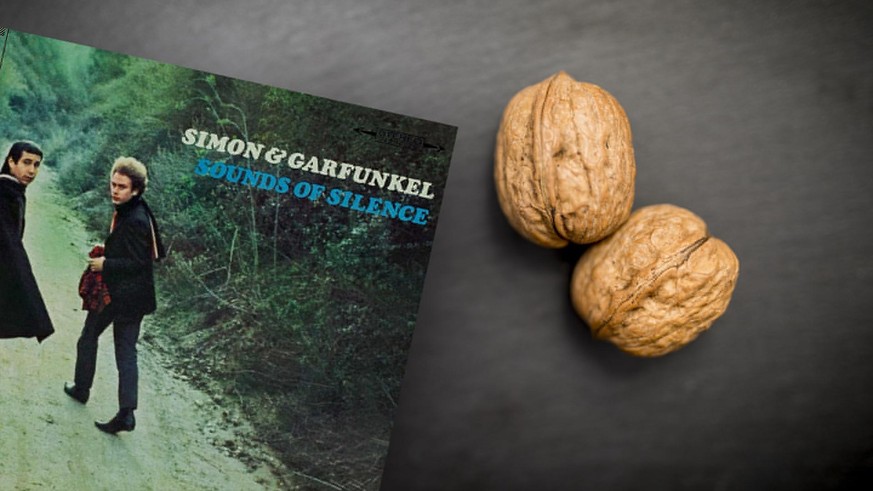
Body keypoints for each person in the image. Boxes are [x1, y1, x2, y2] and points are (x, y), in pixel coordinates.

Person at [64, 156, 165, 434]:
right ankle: (127, 414)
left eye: (122, 186)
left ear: (136, 190)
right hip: (136, 297)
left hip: (119, 296)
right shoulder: (136, 211)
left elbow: (140, 263)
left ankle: (82, 389)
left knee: (89, 337)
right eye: (113, 184)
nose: (115, 190)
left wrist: (105, 264)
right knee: (126, 353)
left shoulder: (136, 220)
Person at [0, 141, 54, 342]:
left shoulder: (14, 191)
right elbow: (10, 245)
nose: (31, 170)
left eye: (36, 164)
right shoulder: (5, 194)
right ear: (11, 162)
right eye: (26, 162)